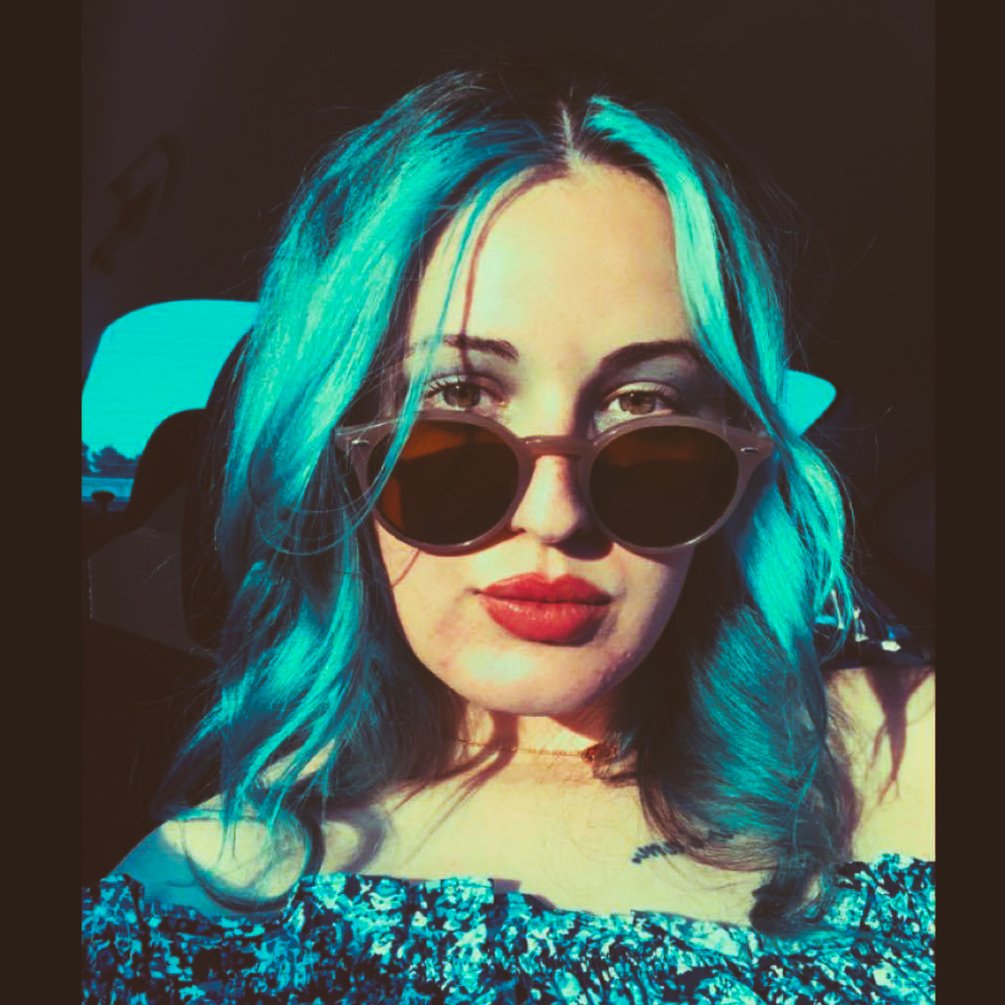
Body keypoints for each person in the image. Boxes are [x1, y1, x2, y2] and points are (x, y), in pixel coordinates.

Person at [82, 63, 934, 1003]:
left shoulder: (909, 748)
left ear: (735, 462)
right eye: (454, 403)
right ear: (338, 454)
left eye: (645, 409)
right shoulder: (192, 894)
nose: (555, 513)